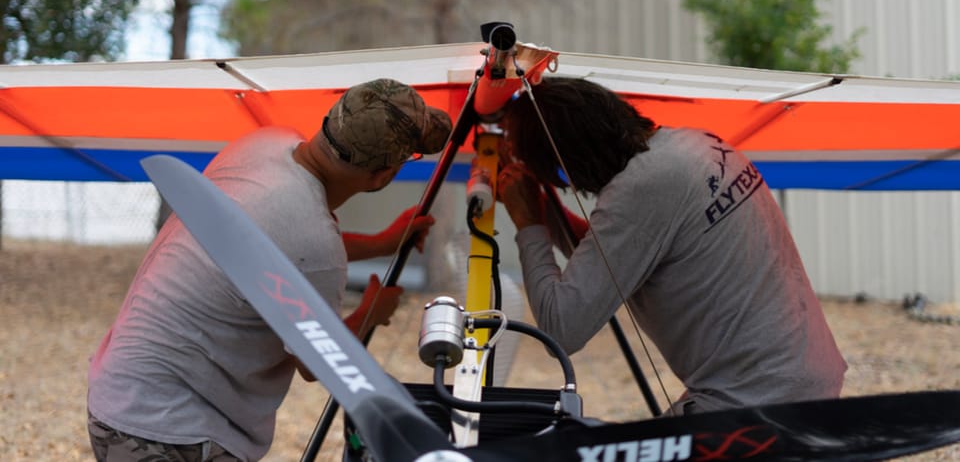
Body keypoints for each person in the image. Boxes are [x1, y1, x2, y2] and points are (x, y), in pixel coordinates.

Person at [87, 78, 452, 461]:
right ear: (384, 175)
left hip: (117, 393)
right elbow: (317, 363)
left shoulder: (266, 142)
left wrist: (381, 244)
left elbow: (280, 250)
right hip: (173, 432)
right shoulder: (315, 242)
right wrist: (370, 313)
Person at [495, 76, 847, 416]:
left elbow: (560, 329)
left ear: (569, 158)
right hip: (803, 374)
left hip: (756, 396)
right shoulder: (696, 144)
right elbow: (615, 258)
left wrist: (529, 224)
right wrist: (538, 207)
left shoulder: (642, 187)